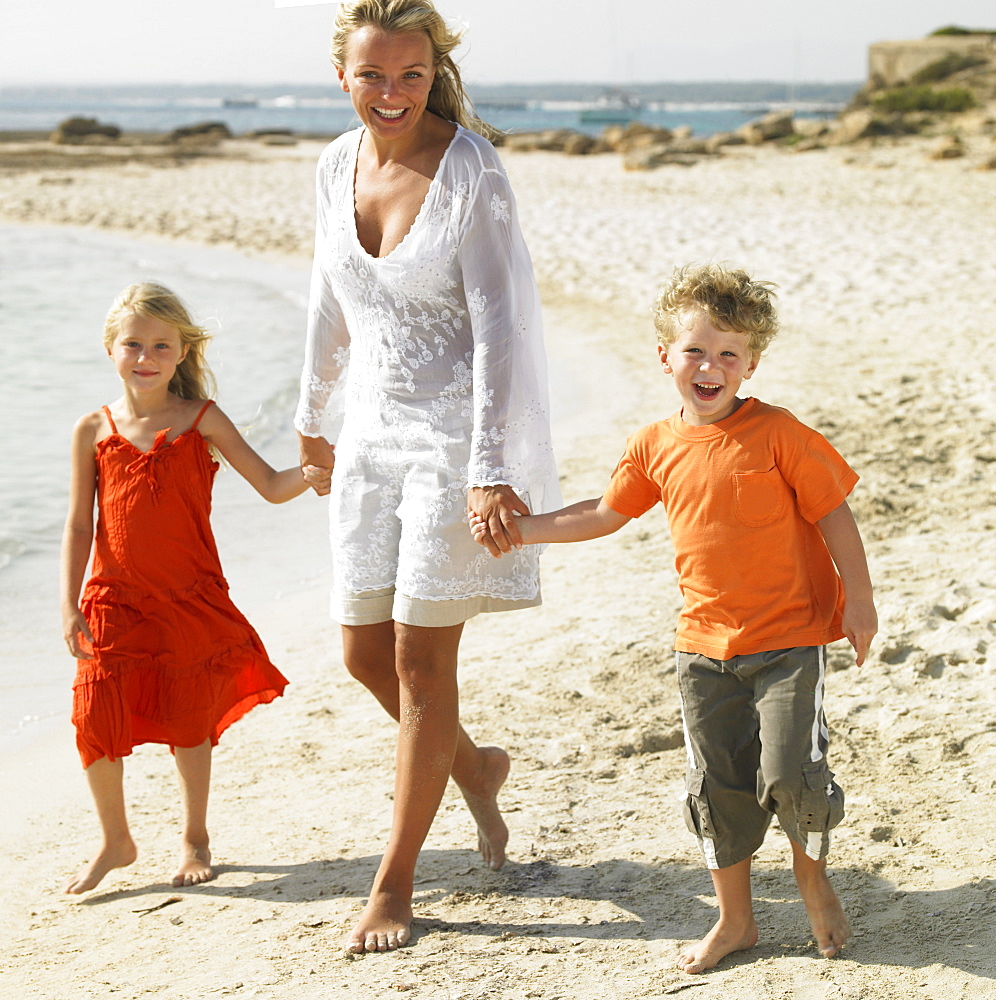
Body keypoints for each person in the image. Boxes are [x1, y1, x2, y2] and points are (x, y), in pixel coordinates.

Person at [471, 263, 878, 973]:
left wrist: (862, 602)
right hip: (702, 648)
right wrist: (525, 528)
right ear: (665, 358)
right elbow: (603, 514)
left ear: (753, 361)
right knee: (717, 788)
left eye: (729, 353)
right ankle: (736, 921)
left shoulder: (779, 434)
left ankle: (813, 882)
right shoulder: (654, 445)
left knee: (791, 775)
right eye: (695, 350)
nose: (711, 366)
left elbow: (835, 515)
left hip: (791, 641)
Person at [294, 0, 559, 954]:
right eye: (373, 75)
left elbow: (500, 328)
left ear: (433, 72)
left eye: (410, 75)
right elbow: (328, 293)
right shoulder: (332, 163)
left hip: (452, 443)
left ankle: (394, 882)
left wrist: (492, 469)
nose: (392, 93)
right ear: (344, 76)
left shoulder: (474, 172)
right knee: (363, 655)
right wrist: (309, 419)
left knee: (418, 662)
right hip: (367, 434)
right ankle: (476, 769)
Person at [61, 281, 322, 894]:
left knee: (188, 721)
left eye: (160, 346)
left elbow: (269, 483)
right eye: (133, 344)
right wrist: (68, 606)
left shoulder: (200, 419)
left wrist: (313, 473)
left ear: (181, 353)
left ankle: (195, 834)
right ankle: (115, 839)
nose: (145, 357)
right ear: (110, 349)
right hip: (112, 598)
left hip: (187, 596)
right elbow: (79, 524)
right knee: (94, 716)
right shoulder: (91, 430)